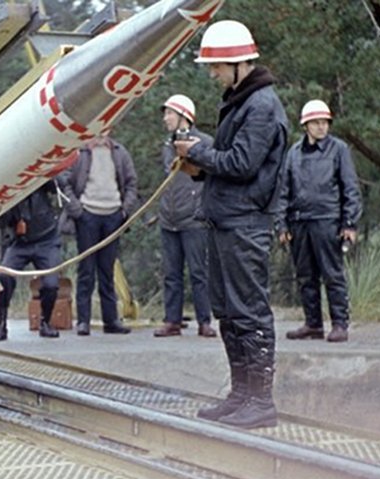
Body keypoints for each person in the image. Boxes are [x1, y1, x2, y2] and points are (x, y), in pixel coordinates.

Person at [174, 20, 289, 429]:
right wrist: (199, 167)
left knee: (250, 312)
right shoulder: (241, 101)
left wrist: (200, 151)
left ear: (239, 64)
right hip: (226, 219)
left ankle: (261, 401)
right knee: (227, 311)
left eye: (216, 67)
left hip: (245, 224)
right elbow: (231, 164)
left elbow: (242, 164)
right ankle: (241, 395)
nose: (212, 74)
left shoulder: (261, 107)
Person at [277, 99, 363, 343]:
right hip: (299, 222)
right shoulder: (293, 153)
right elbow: (283, 191)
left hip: (328, 221)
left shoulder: (339, 149)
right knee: (305, 276)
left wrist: (349, 224)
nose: (321, 127)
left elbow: (351, 188)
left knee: (333, 275)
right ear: (305, 125)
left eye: (325, 122)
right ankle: (313, 324)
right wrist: (281, 224)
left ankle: (339, 324)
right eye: (316, 122)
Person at [60, 133, 138, 336]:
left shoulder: (119, 152)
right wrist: (77, 210)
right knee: (86, 270)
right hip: (87, 216)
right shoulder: (80, 151)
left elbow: (131, 183)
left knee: (107, 269)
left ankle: (111, 320)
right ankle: (83, 321)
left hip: (112, 216)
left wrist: (124, 210)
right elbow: (64, 182)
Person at [154, 94, 217, 339]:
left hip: (194, 218)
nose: (165, 118)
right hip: (169, 218)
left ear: (184, 116)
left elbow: (206, 175)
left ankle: (204, 321)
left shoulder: (205, 142)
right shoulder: (167, 144)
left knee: (199, 272)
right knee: (171, 273)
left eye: (169, 113)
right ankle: (172, 320)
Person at [0, 181, 63, 341]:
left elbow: (60, 184)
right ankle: (1, 324)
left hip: (47, 240)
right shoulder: (5, 187)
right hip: (19, 243)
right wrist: (5, 205)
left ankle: (45, 322)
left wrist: (46, 175)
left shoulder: (40, 179)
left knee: (51, 284)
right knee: (3, 277)